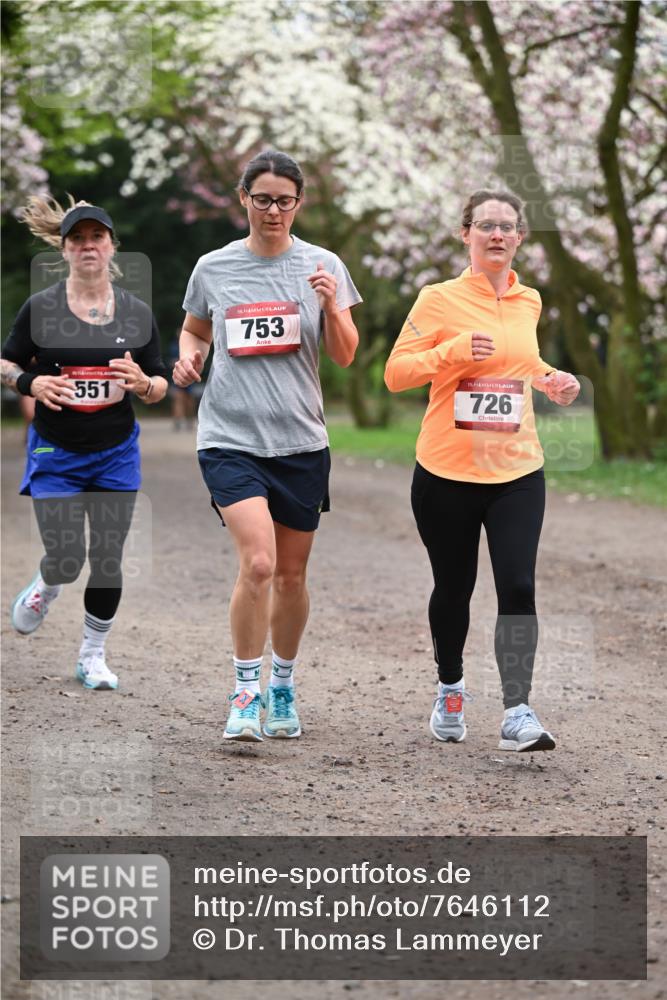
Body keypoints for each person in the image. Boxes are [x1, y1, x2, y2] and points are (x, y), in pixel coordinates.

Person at [174, 149, 361, 742]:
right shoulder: (214, 267)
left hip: (300, 440)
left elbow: (345, 353)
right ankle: (245, 692)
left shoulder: (322, 264)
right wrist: (189, 355)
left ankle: (282, 683)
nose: (273, 210)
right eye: (262, 199)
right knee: (258, 562)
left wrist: (331, 303)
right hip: (230, 436)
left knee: (291, 576)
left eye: (284, 200)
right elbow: (194, 327)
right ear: (243, 200)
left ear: (298, 204)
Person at [384, 188, 580, 752]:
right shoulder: (437, 299)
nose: (497, 235)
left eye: (507, 226)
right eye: (485, 225)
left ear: (520, 237)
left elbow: (523, 364)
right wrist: (450, 353)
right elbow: (396, 373)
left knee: (518, 585)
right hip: (445, 471)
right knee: (455, 588)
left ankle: (518, 710)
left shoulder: (530, 301)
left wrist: (553, 381)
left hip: (518, 469)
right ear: (465, 234)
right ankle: (450, 687)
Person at [1, 196, 168, 690]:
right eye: (78, 238)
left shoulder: (136, 313)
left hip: (116, 451)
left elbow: (160, 384)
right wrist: (30, 384)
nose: (88, 245)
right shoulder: (42, 308)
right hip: (57, 452)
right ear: (65, 248)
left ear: (112, 246)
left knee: (109, 556)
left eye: (97, 237)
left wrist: (144, 383)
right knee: (68, 556)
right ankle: (48, 583)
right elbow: (6, 362)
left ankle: (92, 655)